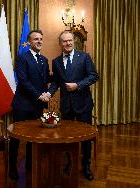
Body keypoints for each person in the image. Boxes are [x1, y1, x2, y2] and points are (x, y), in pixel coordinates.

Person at [44, 30, 99, 180]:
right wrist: (49, 93)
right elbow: (56, 81)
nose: (68, 43)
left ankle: (86, 165)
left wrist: (78, 85)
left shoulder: (84, 57)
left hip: (83, 105)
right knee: (67, 137)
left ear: (74, 41)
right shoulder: (56, 61)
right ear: (60, 43)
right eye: (64, 41)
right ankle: (69, 163)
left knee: (86, 137)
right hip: (66, 106)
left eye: (70, 40)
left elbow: (94, 76)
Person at [9, 30, 50, 180]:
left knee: (34, 137)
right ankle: (12, 167)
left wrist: (48, 91)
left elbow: (44, 80)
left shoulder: (44, 60)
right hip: (22, 105)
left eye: (41, 39)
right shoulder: (22, 58)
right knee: (16, 138)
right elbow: (24, 81)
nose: (39, 41)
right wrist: (40, 95)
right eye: (35, 39)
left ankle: (30, 165)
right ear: (29, 42)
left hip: (37, 106)